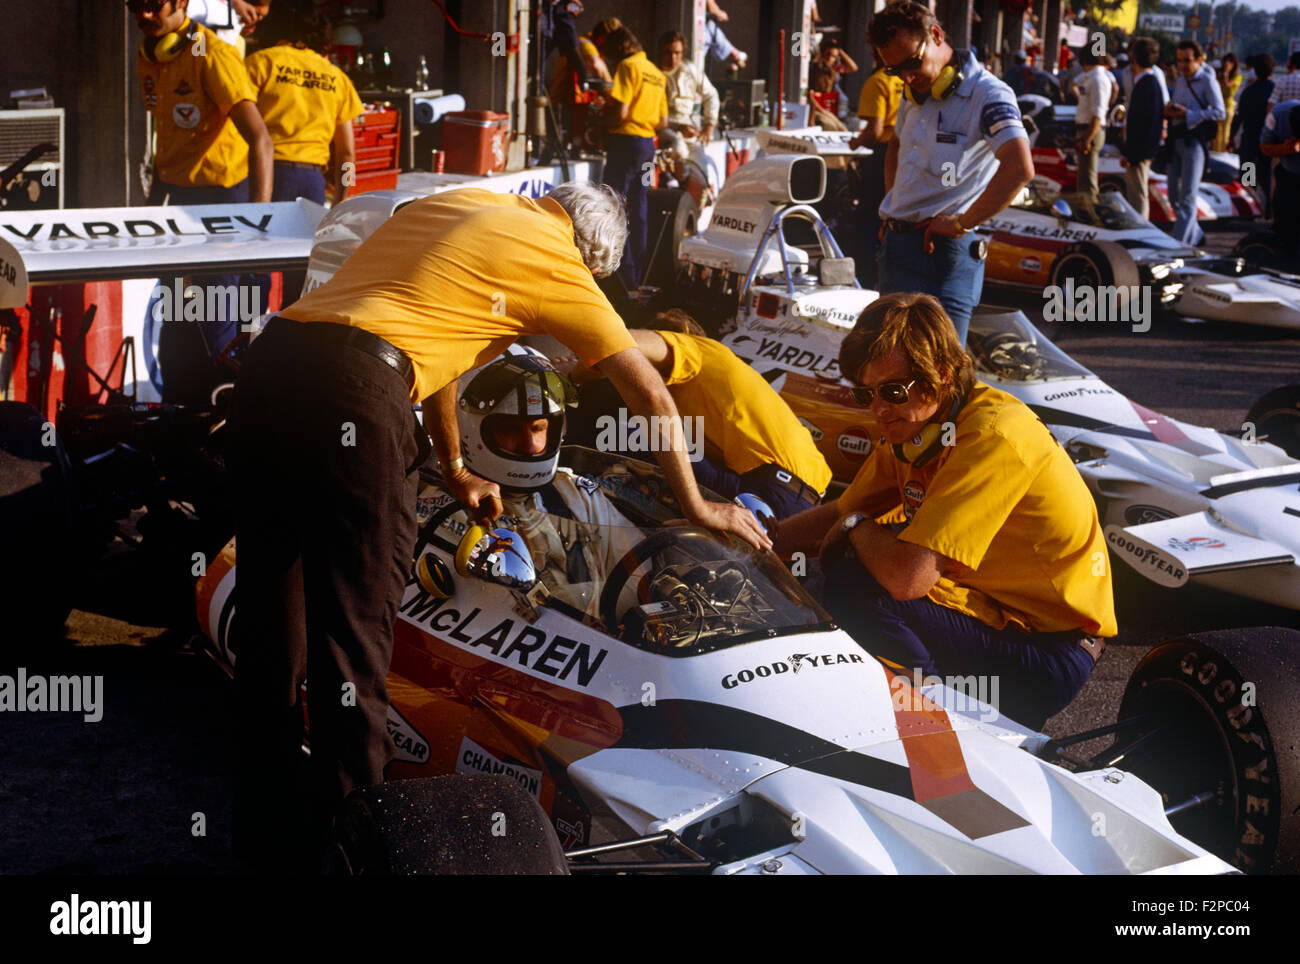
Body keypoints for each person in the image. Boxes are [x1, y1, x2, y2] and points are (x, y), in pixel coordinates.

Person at [227, 183, 770, 871]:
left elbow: (442, 343)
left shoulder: (459, 204)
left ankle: (262, 850)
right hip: (356, 393)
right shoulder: (558, 259)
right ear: (591, 254)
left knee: (273, 634)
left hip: (275, 364)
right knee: (355, 643)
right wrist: (697, 506)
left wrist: (454, 467)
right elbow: (649, 391)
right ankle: (362, 851)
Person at [774, 293, 1116, 729]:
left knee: (859, 578)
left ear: (941, 374)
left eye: (892, 391)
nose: (879, 408)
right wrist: (751, 538)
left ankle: (942, 730)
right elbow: (841, 509)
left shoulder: (992, 435)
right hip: (999, 619)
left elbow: (906, 578)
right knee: (853, 558)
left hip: (1049, 655)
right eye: (866, 393)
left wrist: (856, 528)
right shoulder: (919, 424)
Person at [427, 344, 641, 618]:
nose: (530, 446)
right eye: (510, 429)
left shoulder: (574, 492)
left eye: (539, 428)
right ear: (466, 427)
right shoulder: (435, 505)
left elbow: (637, 570)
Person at [132, 0, 273, 405]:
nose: (142, 16)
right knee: (176, 326)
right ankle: (178, 424)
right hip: (178, 207)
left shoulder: (213, 54)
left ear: (181, 2)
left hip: (225, 206)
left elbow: (261, 140)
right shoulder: (148, 56)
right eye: (133, 7)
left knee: (217, 326)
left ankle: (227, 428)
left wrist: (257, 225)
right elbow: (167, 140)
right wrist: (150, 213)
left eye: (151, 5)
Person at [867, 0, 1033, 344]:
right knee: (891, 364)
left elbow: (1019, 167)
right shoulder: (913, 90)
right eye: (894, 71)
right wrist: (892, 207)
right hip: (896, 245)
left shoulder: (987, 93)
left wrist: (961, 223)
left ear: (937, 34)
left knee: (939, 374)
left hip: (942, 252)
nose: (907, 77)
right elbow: (896, 146)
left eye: (912, 63)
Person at [575, 310, 831, 519]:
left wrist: (571, 376)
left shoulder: (695, 349)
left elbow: (617, 342)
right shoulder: (712, 383)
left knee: (624, 434)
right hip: (804, 505)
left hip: (770, 490)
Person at [244, 33, 363, 206]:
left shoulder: (262, 61)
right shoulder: (337, 77)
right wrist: (341, 200)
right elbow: (347, 154)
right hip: (312, 180)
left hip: (265, 172)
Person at [601, 26, 667, 291]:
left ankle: (622, 273)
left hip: (625, 141)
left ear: (617, 50)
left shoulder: (628, 67)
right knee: (639, 206)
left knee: (615, 204)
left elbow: (622, 112)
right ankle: (637, 274)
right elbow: (663, 120)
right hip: (648, 144)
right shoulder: (656, 73)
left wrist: (603, 122)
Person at [849, 60, 905, 287]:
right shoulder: (909, 80)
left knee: (869, 219)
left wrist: (854, 143)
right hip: (908, 156)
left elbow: (874, 131)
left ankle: (864, 277)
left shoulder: (878, 81)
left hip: (883, 156)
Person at [1165, 40, 1224, 247]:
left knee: (1188, 197)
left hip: (1195, 142)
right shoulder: (1181, 80)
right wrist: (1172, 111)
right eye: (1180, 60)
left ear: (1199, 60)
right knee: (1173, 196)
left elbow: (1220, 112)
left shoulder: (1207, 81)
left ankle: (1178, 246)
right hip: (1176, 138)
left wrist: (1188, 114)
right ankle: (1195, 234)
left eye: (1187, 61)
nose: (1183, 65)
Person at [1119, 37, 1165, 219]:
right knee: (1136, 195)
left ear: (1134, 57)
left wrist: (1131, 154)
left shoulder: (1145, 84)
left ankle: (1139, 233)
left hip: (1138, 153)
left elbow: (1141, 124)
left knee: (1137, 197)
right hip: (1141, 151)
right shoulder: (1150, 82)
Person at [659, 30, 719, 143]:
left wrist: (708, 126)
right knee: (678, 148)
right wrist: (676, 127)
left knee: (700, 159)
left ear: (683, 53)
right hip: (662, 129)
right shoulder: (653, 74)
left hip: (688, 129)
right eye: (668, 52)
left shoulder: (691, 70)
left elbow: (711, 95)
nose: (673, 58)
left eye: (677, 53)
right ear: (661, 52)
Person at [1260, 100, 1300, 266]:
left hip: (1247, 148)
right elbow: (1264, 147)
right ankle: (1255, 199)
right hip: (1254, 154)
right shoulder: (1278, 114)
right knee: (1249, 173)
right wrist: (1286, 149)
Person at [1073, 45, 1114, 205]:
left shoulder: (1098, 79)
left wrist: (1086, 139)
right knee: (1083, 179)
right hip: (1087, 130)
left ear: (1083, 61)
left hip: (1090, 131)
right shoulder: (1092, 77)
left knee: (1088, 181)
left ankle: (1091, 214)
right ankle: (1085, 212)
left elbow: (1098, 113)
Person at [1236, 54, 1275, 218]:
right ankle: (1269, 210)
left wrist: (1231, 136)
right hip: (1268, 139)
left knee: (1247, 175)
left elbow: (1239, 116)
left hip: (1249, 138)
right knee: (1266, 175)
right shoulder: (1274, 89)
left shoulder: (1248, 91)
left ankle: (1249, 209)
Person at [1214, 52, 1242, 152]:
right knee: (1216, 132)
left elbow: (1227, 85)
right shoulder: (1217, 74)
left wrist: (1226, 73)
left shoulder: (1237, 77)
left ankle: (1222, 153)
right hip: (1217, 104)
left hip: (1228, 106)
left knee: (1225, 132)